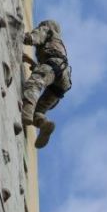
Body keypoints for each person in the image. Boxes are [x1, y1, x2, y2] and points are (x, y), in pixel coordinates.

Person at [20, 20, 71, 149]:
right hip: (62, 82)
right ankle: (43, 124)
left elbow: (36, 37)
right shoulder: (59, 43)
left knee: (34, 84)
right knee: (39, 110)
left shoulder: (47, 30)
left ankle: (27, 112)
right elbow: (48, 67)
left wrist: (24, 37)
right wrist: (31, 62)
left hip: (54, 66)